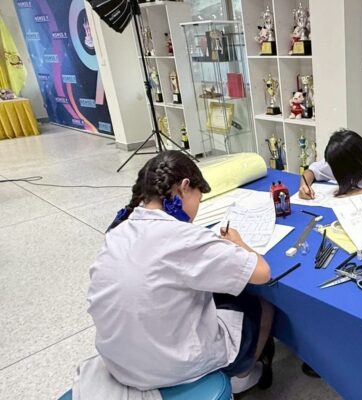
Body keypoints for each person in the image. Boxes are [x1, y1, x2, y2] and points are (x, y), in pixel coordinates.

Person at [87, 151, 275, 395]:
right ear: (185, 187)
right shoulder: (184, 237)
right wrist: (238, 243)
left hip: (119, 364)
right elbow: (262, 272)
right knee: (262, 306)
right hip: (168, 369)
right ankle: (240, 376)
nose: (197, 209)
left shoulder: (118, 231)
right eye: (199, 199)